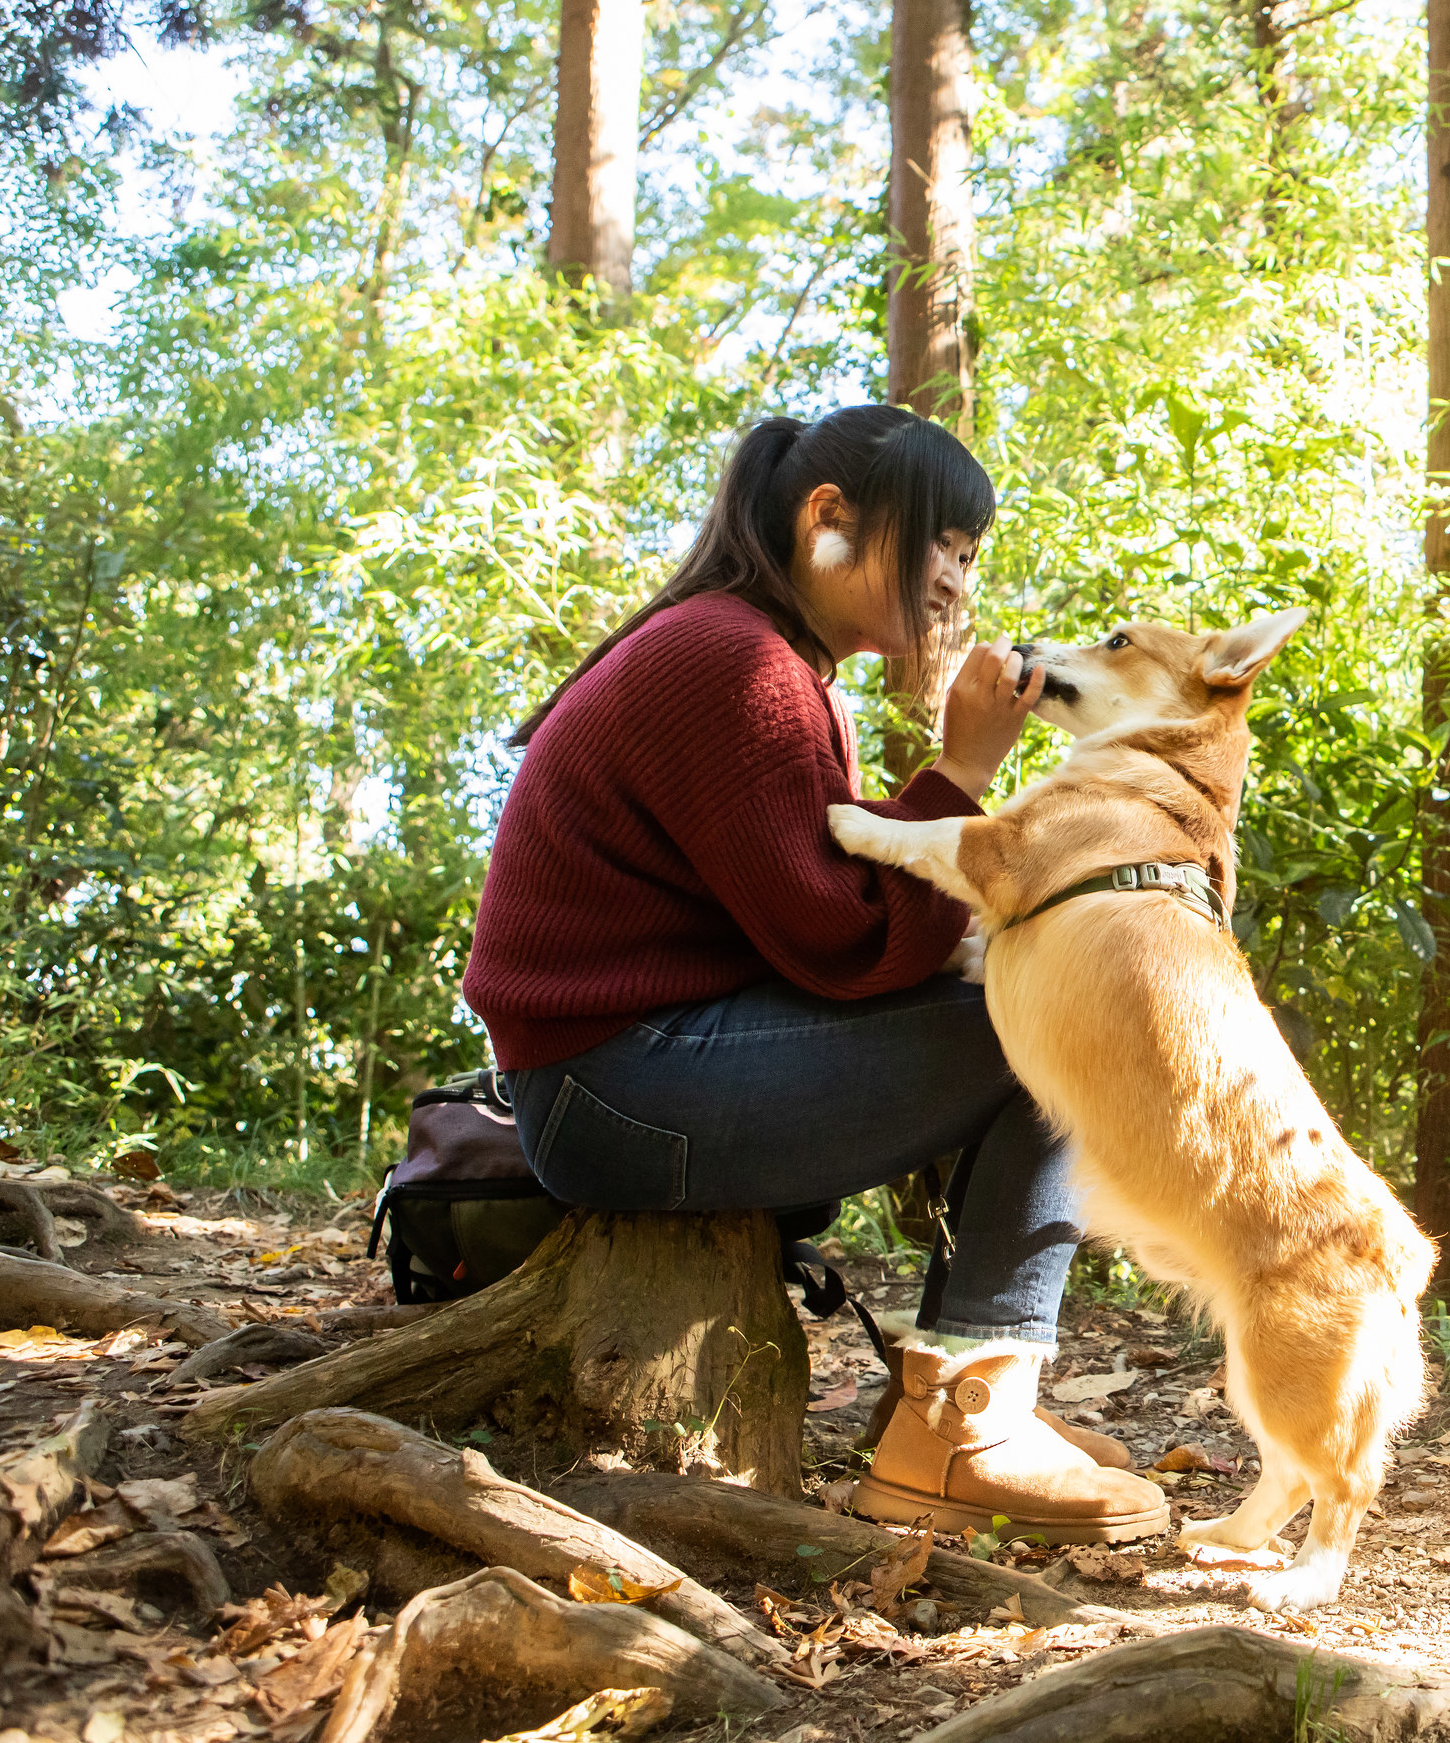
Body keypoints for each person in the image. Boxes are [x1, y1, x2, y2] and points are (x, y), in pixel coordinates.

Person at [461, 402, 1168, 1543]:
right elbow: (842, 943)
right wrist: (965, 766)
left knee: (1033, 989)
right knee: (1051, 1018)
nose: (954, 582)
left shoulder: (763, 658)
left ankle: (963, 1394)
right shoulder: (731, 662)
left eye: (970, 557)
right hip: (615, 1088)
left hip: (629, 1071)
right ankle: (962, 1428)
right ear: (828, 517)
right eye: (940, 542)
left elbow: (815, 905)